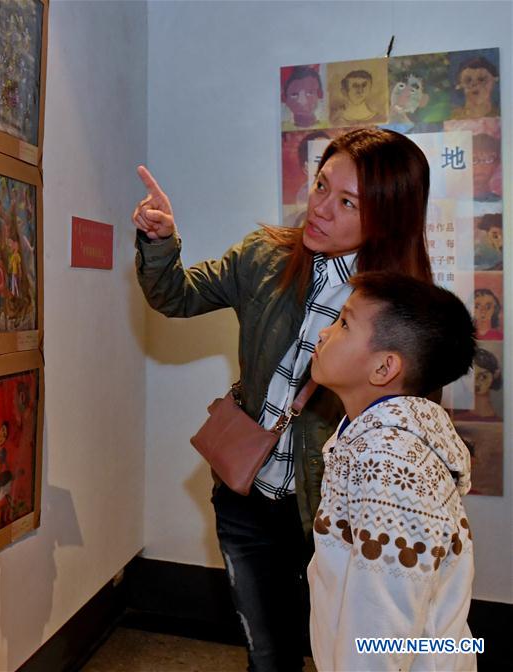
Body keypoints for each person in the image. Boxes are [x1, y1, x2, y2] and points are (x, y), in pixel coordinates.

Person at [133, 127, 432, 671]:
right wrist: (160, 241)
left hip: (337, 513)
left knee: (347, 655)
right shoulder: (264, 256)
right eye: (321, 186)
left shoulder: (398, 304)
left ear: (388, 216)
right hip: (248, 495)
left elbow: (412, 424)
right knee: (268, 658)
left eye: (346, 202)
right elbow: (176, 295)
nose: (319, 208)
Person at [308, 271, 476, 671]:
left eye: (344, 323)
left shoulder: (389, 465)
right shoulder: (373, 437)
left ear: (384, 368)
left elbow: (380, 625)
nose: (323, 333)